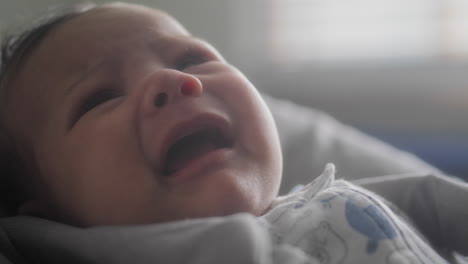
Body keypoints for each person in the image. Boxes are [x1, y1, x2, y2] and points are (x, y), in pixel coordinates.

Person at [0, 2, 466, 263]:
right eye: (99, 98)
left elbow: (429, 199)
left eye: (190, 60)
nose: (175, 82)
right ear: (51, 213)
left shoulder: (320, 200)